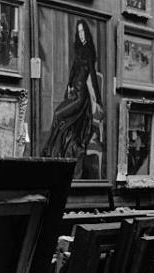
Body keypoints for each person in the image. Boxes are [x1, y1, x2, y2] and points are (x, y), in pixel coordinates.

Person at [42, 19, 103, 178]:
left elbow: (93, 78)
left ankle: (49, 152)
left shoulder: (89, 51)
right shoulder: (78, 49)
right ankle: (53, 154)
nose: (81, 34)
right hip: (73, 92)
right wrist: (68, 86)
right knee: (60, 120)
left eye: (83, 31)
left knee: (58, 114)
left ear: (87, 33)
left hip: (81, 97)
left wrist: (99, 100)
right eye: (79, 31)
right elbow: (73, 71)